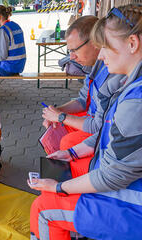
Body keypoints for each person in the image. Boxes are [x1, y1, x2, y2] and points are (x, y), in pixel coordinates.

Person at [29, 5, 142, 240]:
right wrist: (70, 153)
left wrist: (59, 187)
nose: (101, 54)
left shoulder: (134, 99)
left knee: (43, 208)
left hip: (133, 205)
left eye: (105, 46)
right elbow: (107, 133)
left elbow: (112, 177)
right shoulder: (130, 84)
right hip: (123, 180)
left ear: (132, 44)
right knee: (60, 174)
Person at [42, 16, 125, 178]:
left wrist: (61, 117)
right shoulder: (95, 67)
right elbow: (83, 101)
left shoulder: (113, 73)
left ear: (95, 42)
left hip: (102, 137)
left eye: (74, 50)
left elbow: (99, 128)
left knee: (66, 142)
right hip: (97, 126)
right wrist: (58, 111)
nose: (71, 57)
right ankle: (57, 173)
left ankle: (61, 178)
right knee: (57, 129)